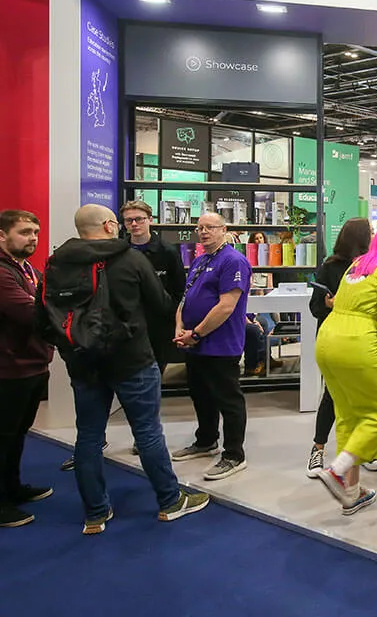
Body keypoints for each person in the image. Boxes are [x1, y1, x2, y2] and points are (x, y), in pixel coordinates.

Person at [38, 205, 209, 534]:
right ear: (108, 225)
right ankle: (169, 500)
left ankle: (95, 513)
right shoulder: (129, 259)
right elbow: (162, 304)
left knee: (89, 435)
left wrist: (70, 347)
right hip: (132, 358)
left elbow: (42, 315)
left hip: (82, 362)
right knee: (147, 431)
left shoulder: (56, 263)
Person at [315, 219, 377, 515]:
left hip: (328, 342)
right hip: (357, 345)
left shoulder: (357, 265)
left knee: (349, 415)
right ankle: (337, 471)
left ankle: (351, 491)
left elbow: (354, 304)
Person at [171, 212, 252, 481]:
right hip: (195, 343)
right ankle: (206, 441)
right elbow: (185, 298)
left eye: (210, 227)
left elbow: (226, 306)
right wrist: (180, 326)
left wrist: (196, 333)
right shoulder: (200, 260)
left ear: (223, 229)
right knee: (201, 395)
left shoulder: (233, 261)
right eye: (200, 227)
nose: (204, 232)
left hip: (220, 344)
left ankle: (234, 455)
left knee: (228, 400)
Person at [305, 218, 373, 478]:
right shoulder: (330, 267)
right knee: (332, 395)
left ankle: (360, 450)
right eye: (370, 233)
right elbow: (315, 307)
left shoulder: (372, 267)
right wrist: (329, 304)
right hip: (334, 340)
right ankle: (318, 448)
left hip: (362, 340)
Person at [0, 210, 54, 528]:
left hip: (33, 364)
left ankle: (12, 487)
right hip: (8, 369)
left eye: (35, 232)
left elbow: (44, 304)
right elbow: (29, 312)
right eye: (24, 232)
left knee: (18, 433)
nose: (32, 238)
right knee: (3, 436)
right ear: (2, 236)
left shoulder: (28, 270)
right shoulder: (2, 273)